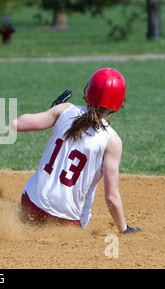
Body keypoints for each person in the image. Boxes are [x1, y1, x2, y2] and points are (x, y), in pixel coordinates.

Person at [11, 68, 141, 233]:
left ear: (89, 90)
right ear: (118, 102)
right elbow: (112, 197)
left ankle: (22, 218)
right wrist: (124, 229)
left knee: (33, 200)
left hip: (33, 205)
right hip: (67, 221)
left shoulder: (64, 110)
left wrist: (52, 110)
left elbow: (16, 125)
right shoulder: (112, 140)